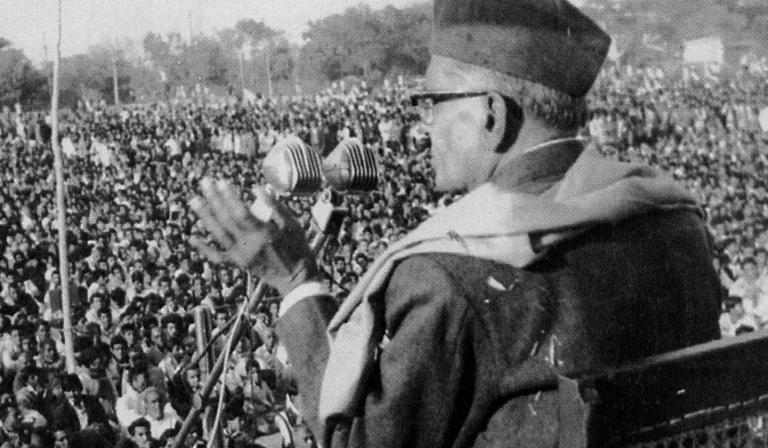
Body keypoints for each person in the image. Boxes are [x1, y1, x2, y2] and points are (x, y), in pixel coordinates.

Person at [189, 0, 721, 447]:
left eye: (433, 103)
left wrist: (295, 280)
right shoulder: (675, 225)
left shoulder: (451, 276)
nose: (421, 126)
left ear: (491, 114)